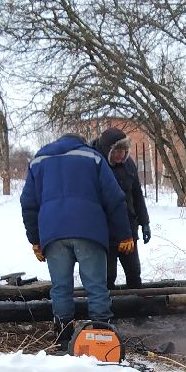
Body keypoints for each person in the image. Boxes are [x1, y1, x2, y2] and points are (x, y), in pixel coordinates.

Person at [20, 132, 134, 352]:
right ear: (81, 141)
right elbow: (115, 197)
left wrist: (35, 240)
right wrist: (124, 234)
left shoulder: (38, 160)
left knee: (61, 288)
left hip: (53, 234)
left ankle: (63, 338)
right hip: (89, 230)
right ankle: (102, 337)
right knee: (96, 287)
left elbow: (28, 203)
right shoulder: (92, 157)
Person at [90, 128, 151, 289]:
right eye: (117, 151)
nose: (121, 155)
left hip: (129, 229)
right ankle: (109, 310)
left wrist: (144, 222)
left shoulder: (128, 164)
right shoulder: (95, 164)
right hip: (104, 231)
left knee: (134, 272)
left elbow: (137, 194)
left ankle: (138, 309)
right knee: (108, 276)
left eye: (124, 151)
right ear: (107, 149)